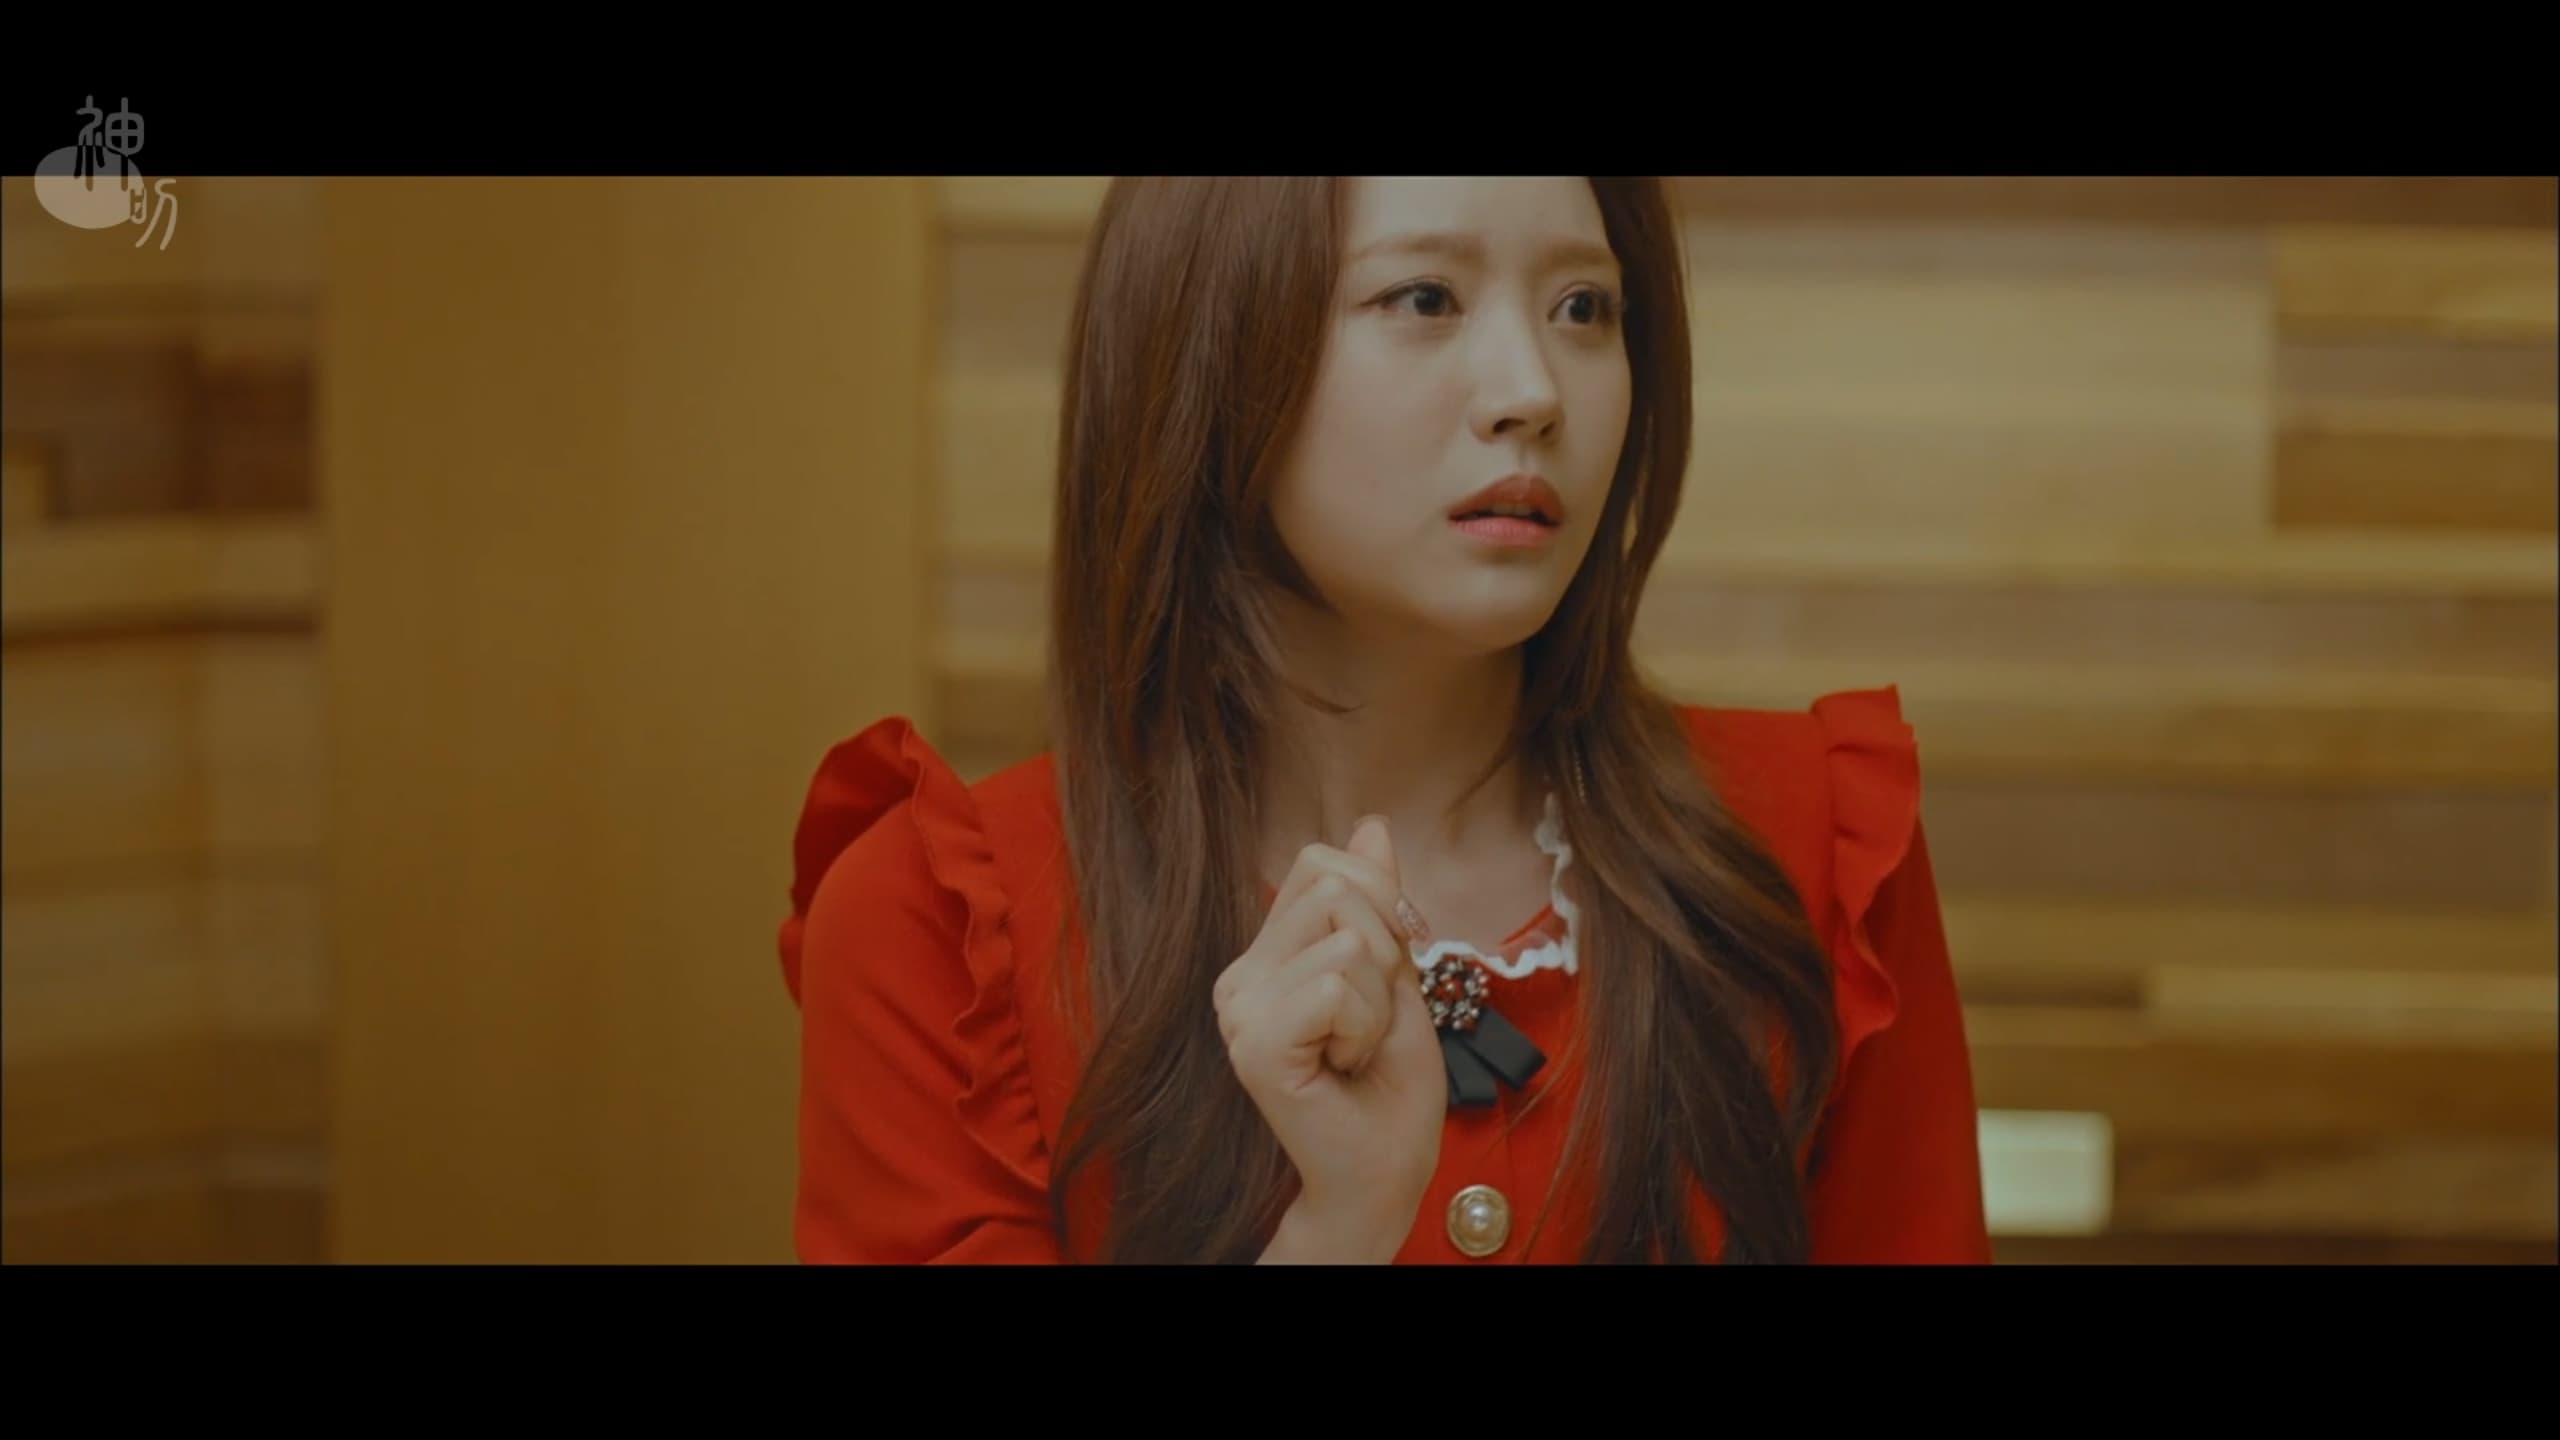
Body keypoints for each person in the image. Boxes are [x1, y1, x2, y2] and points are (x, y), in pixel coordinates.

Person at [777, 176, 1991, 1264]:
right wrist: (1338, 1227)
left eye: (1583, 308)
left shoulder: (1814, 849)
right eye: (1423, 299)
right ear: (1208, 344)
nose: (1531, 392)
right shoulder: (936, 928)